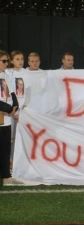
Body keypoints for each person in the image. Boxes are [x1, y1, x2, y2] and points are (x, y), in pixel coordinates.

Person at [0, 50, 23, 186]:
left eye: (7, 60)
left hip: (6, 118)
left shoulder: (7, 75)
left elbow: (13, 92)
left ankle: (6, 176)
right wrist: (9, 109)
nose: (6, 63)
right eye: (3, 61)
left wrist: (14, 106)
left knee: (5, 149)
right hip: (4, 112)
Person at [7, 50, 31, 168]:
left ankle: (19, 161)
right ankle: (10, 161)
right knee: (10, 137)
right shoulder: (7, 73)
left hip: (22, 111)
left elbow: (29, 91)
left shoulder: (26, 73)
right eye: (17, 59)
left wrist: (24, 106)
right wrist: (12, 110)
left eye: (22, 59)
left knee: (19, 137)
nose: (20, 61)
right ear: (11, 61)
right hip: (10, 111)